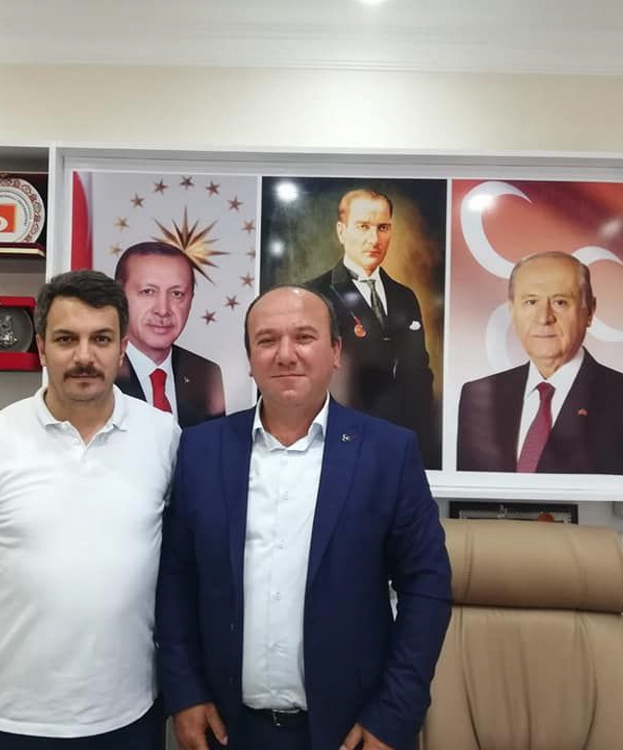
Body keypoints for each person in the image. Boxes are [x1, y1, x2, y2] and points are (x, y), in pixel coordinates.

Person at [156, 285, 452, 750]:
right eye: (267, 340)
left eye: (304, 337)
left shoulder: (388, 452)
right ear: (250, 358)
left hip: (351, 729)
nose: (285, 354)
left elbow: (427, 586)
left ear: (335, 352)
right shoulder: (201, 449)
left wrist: (394, 715)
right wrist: (184, 691)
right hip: (227, 727)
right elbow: (175, 577)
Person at [0, 270, 180, 750]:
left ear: (123, 347)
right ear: (41, 347)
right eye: (66, 339)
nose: (84, 356)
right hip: (7, 719)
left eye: (101, 339)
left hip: (128, 717)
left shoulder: (163, 436)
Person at [457, 251, 623, 474]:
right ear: (512, 310)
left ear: (589, 310)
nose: (544, 318)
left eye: (560, 302)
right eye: (531, 302)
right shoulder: (478, 396)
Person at [304, 189, 437, 467]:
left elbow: (419, 373)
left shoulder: (404, 296)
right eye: (363, 226)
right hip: (341, 444)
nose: (374, 239)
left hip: (402, 444)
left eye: (383, 228)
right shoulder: (314, 294)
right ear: (342, 231)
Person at [114, 241, 225, 427]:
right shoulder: (101, 371)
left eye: (177, 294)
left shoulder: (204, 373)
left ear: (191, 299)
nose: (163, 310)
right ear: (119, 296)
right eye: (148, 292)